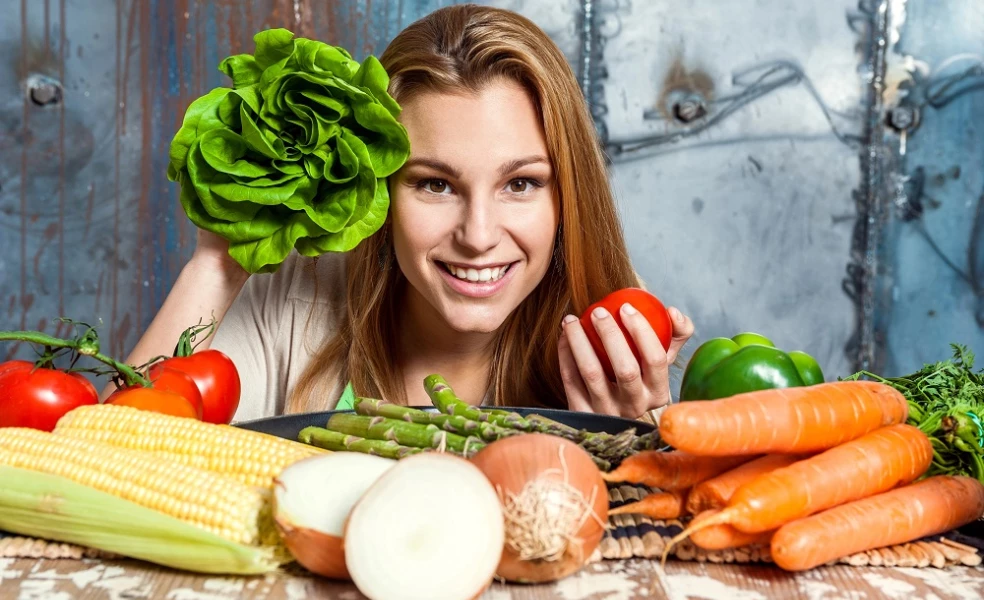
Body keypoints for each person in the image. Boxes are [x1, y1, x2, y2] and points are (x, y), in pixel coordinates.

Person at [119, 4, 694, 423]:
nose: (479, 236)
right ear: (379, 193)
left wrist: (631, 435)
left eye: (520, 183)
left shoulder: (610, 332)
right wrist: (216, 262)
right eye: (435, 184)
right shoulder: (296, 296)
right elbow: (110, 457)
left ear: (567, 195)